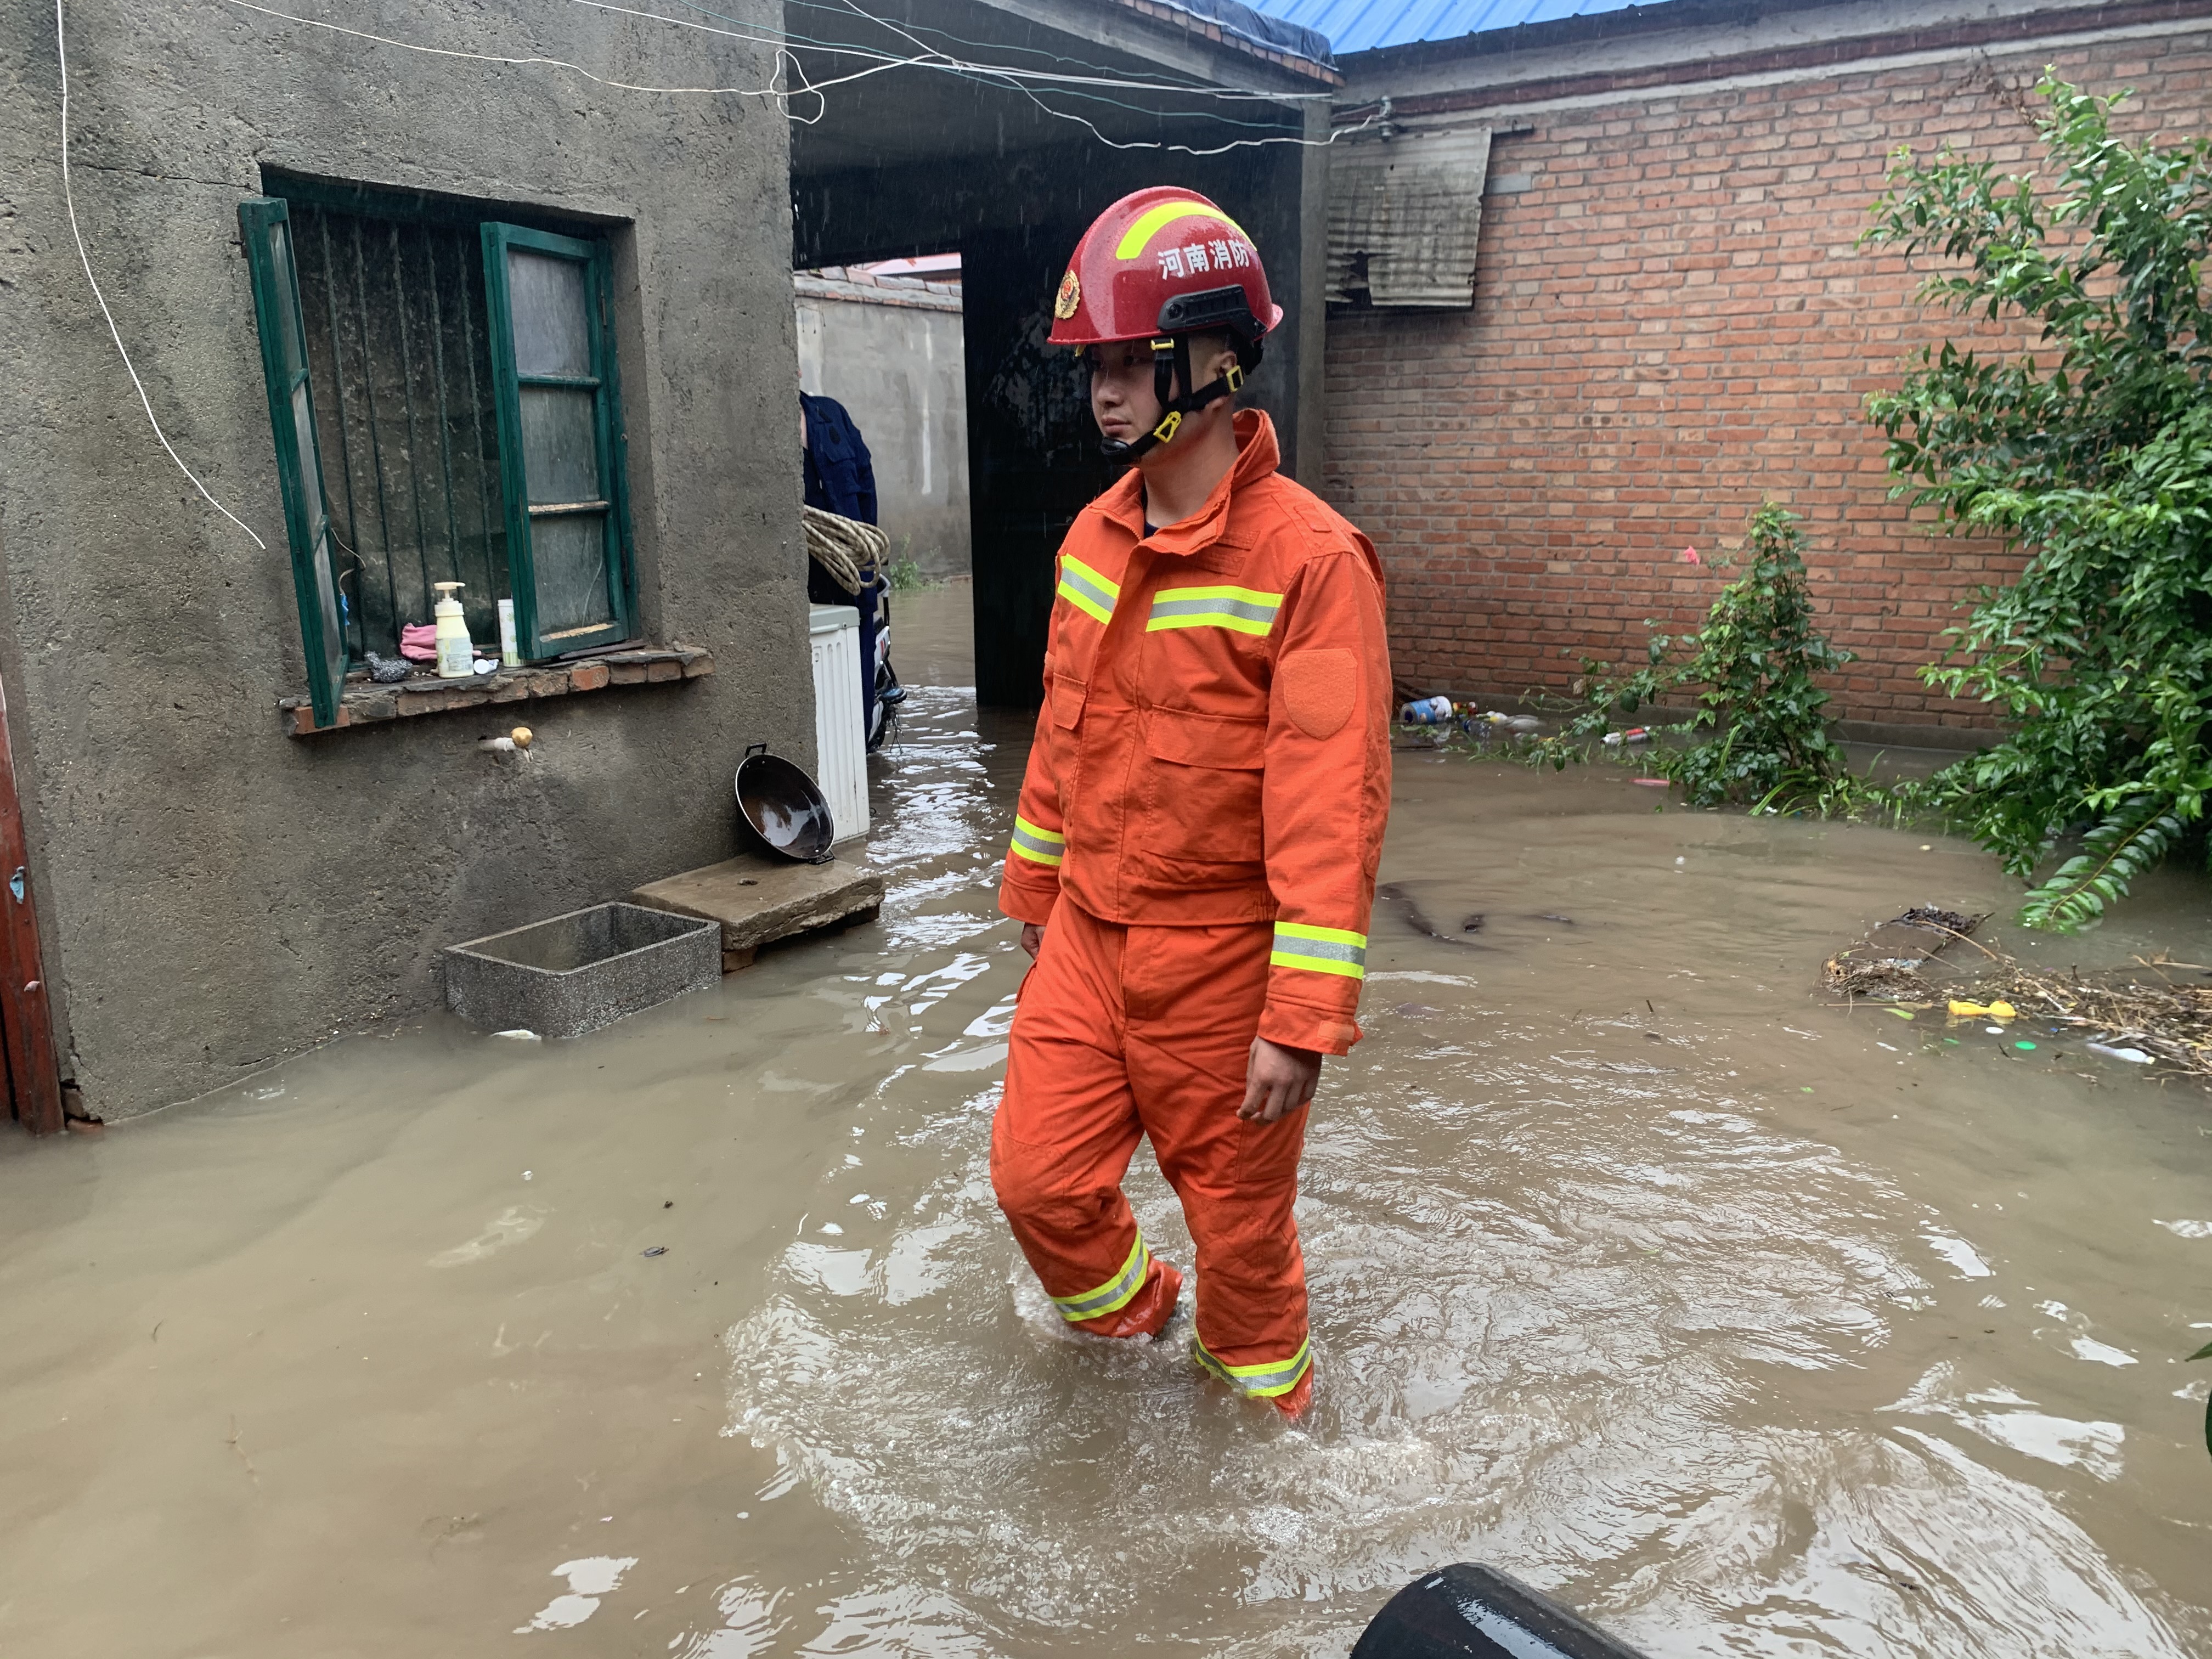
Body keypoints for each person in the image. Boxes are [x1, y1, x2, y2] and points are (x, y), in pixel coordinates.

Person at [990, 189, 1392, 1420]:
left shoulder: (1313, 564)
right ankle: (1133, 1332)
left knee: (1246, 1246)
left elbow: (1333, 806)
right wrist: (1035, 896)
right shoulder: (1089, 543)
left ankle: (1255, 1449)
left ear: (1219, 356)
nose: (1104, 391)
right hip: (1091, 944)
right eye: (1094, 365)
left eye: (1129, 360)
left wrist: (1302, 1014)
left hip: (1225, 966)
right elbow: (1062, 741)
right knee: (1037, 1183)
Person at [801, 387, 901, 748]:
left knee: (854, 703)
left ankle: (860, 786)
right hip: (808, 596)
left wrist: (863, 559)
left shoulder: (831, 415)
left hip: (855, 590)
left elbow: (865, 481)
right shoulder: (766, 428)